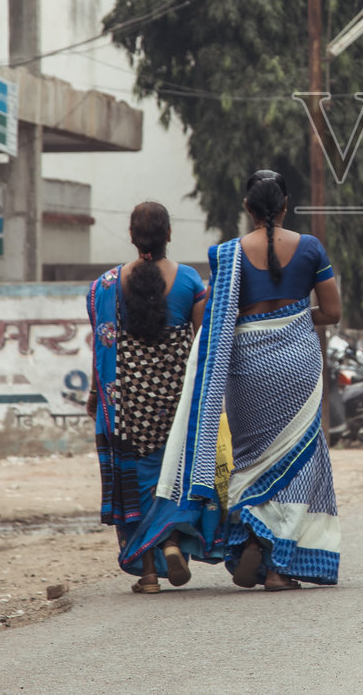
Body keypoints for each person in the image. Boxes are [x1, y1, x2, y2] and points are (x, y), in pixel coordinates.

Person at [159, 170, 342, 592]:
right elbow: (331, 312)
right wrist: (292, 318)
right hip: (298, 363)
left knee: (249, 457)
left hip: (247, 366)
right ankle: (278, 564)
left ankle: (255, 536)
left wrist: (257, 322)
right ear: (286, 204)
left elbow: (216, 318)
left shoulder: (226, 254)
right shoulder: (311, 248)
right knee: (299, 459)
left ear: (247, 208)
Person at [85, 202, 221, 594]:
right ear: (169, 235)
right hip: (175, 404)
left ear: (131, 235)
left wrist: (96, 393)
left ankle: (148, 572)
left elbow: (101, 347)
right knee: (172, 476)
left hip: (127, 409)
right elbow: (202, 345)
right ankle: (174, 541)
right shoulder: (190, 281)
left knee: (136, 482)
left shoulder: (106, 287)